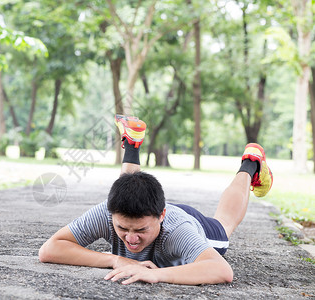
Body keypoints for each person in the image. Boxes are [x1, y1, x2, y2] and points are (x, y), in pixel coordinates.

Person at [38, 114, 273, 285]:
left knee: (225, 222)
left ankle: (251, 162)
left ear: (161, 216)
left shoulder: (177, 233)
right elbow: (49, 250)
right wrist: (115, 260)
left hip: (195, 225)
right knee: (128, 189)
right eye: (121, 228)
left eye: (140, 230)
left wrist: (157, 274)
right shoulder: (108, 213)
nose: (130, 238)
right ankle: (132, 142)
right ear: (111, 215)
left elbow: (222, 271)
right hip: (148, 205)